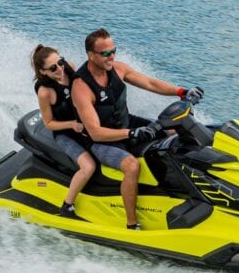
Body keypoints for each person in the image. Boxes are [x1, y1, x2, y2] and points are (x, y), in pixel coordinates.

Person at [71, 28, 203, 230]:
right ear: (91, 55)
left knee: (175, 132)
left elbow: (150, 83)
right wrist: (132, 133)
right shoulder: (81, 87)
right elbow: (95, 132)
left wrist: (181, 92)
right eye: (105, 53)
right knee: (132, 166)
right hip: (101, 141)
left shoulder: (118, 68)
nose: (111, 56)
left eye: (113, 51)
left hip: (127, 124)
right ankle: (132, 224)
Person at [31, 44, 95, 218]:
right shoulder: (45, 92)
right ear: (43, 72)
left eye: (60, 62)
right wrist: (72, 124)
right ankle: (67, 205)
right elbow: (49, 123)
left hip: (85, 126)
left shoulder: (70, 68)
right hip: (65, 134)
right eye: (53, 68)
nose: (60, 69)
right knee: (89, 167)